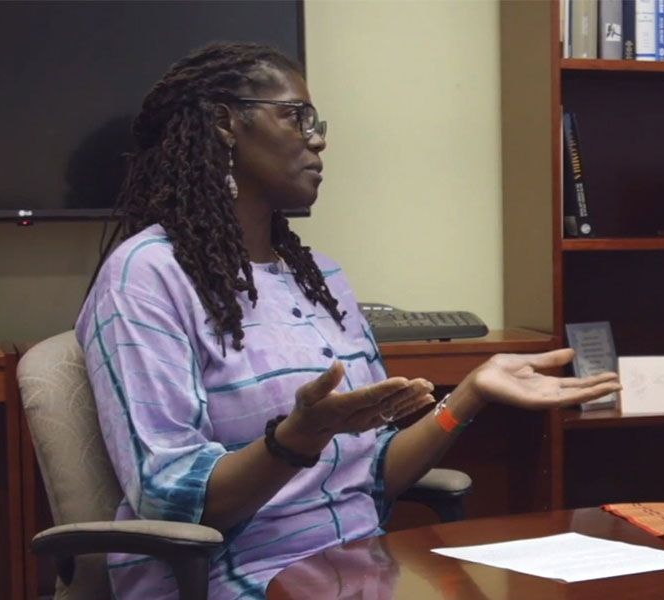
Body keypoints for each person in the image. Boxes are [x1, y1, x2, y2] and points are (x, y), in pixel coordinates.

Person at [77, 42, 620, 599]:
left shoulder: (321, 278)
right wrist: (296, 439)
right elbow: (168, 498)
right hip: (234, 581)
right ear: (222, 124)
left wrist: (469, 395)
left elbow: (373, 473)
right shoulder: (146, 276)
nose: (317, 138)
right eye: (296, 116)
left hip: (362, 575)